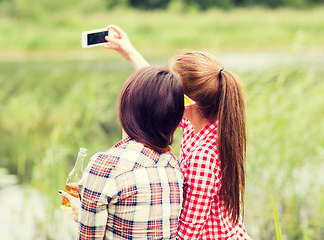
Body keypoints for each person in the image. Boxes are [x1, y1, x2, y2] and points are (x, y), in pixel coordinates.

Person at [103, 25, 251, 239]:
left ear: (185, 101)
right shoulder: (207, 119)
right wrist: (130, 53)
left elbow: (185, 236)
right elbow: (157, 90)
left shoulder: (204, 159)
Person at [60, 66, 185, 239]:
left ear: (127, 110)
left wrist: (83, 216)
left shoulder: (106, 165)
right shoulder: (174, 166)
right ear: (176, 118)